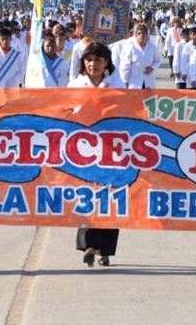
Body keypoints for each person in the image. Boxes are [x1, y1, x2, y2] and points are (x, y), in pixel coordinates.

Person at [69, 42, 125, 267]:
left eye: (98, 60)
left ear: (106, 64)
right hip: (82, 150)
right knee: (87, 196)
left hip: (112, 150)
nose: (93, 64)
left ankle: (105, 250)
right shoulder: (75, 85)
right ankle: (89, 245)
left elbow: (127, 110)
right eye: (89, 60)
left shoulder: (117, 84)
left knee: (112, 198)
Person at [118, 24, 162, 89]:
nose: (141, 35)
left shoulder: (152, 47)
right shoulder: (131, 48)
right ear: (136, 35)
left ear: (147, 35)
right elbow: (125, 66)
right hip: (134, 83)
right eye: (139, 34)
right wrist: (125, 82)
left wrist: (152, 68)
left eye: (143, 34)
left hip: (149, 83)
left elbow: (158, 60)